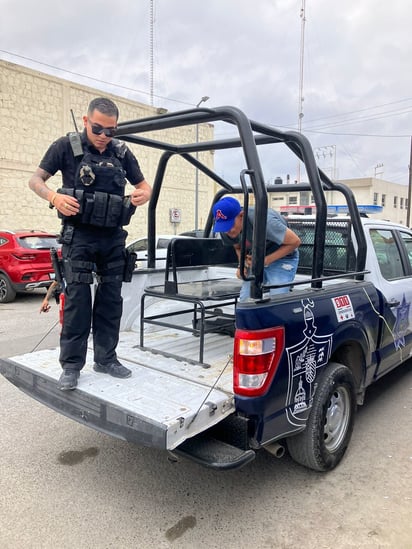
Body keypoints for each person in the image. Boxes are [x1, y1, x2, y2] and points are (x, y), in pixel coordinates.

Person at [29, 97, 151, 390]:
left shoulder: (121, 152)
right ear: (86, 121)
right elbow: (35, 180)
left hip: (112, 238)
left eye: (111, 131)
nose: (104, 136)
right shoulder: (65, 147)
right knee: (78, 303)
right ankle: (71, 365)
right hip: (79, 237)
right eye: (98, 129)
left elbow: (144, 185)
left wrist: (144, 194)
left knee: (111, 302)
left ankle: (106, 359)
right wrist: (54, 197)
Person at [212, 196, 300, 301]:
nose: (227, 231)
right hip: (257, 259)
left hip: (283, 257)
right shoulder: (226, 230)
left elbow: (295, 242)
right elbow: (238, 247)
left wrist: (265, 261)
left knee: (277, 297)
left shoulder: (265, 221)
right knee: (246, 299)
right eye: (223, 227)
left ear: (241, 216)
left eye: (230, 225)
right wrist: (242, 265)